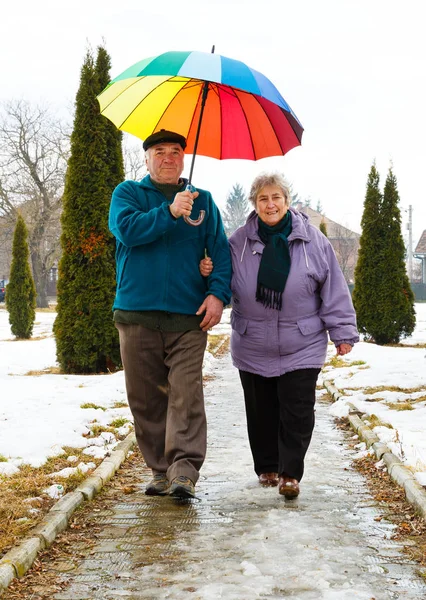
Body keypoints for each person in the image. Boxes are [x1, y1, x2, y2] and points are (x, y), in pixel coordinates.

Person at [200, 172, 358, 498]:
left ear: (287, 201)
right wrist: (207, 270)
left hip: (302, 341)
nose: (270, 204)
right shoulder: (238, 243)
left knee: (298, 411)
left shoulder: (313, 241)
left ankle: (290, 474)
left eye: (276, 197)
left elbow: (333, 289)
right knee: (261, 411)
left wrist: (342, 331)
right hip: (253, 342)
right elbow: (222, 283)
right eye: (263, 198)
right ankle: (267, 467)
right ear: (254, 204)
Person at [109, 129, 231, 499]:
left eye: (175, 151)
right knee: (145, 398)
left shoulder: (204, 202)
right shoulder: (127, 194)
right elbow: (127, 231)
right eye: (159, 151)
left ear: (183, 158)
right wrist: (169, 211)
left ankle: (183, 471)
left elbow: (220, 255)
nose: (167, 157)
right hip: (137, 313)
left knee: (185, 394)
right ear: (146, 159)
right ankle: (160, 470)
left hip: (187, 317)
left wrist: (217, 296)